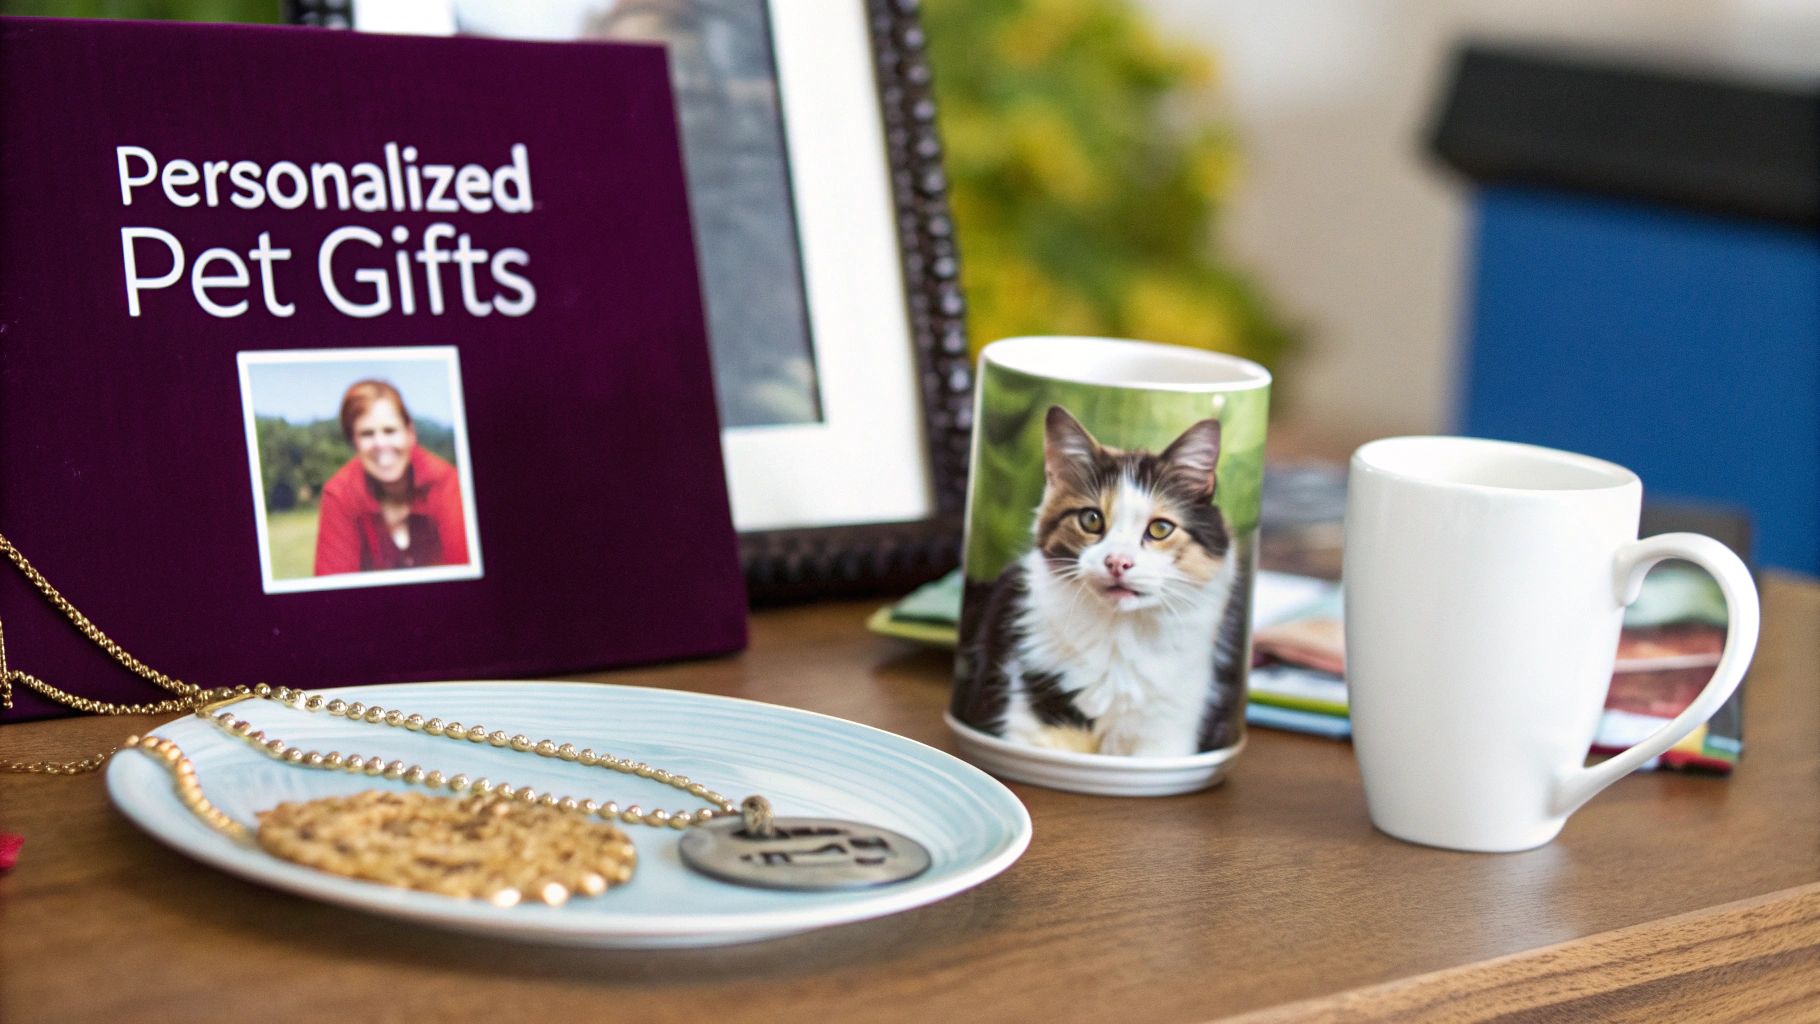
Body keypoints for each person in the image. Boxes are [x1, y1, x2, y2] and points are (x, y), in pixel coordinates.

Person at [313, 380, 469, 575]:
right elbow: (331, 586)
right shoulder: (339, 494)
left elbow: (466, 574)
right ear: (354, 442)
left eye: (390, 430)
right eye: (367, 434)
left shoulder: (446, 483)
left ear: (410, 433)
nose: (380, 443)